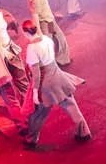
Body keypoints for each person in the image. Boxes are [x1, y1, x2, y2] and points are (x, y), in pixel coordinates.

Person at [21, 19, 93, 147]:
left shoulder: (32, 48)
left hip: (46, 84)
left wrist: (35, 92)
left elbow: (36, 74)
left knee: (39, 113)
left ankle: (31, 140)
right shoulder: (46, 39)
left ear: (25, 33)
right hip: (58, 76)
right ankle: (84, 132)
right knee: (71, 105)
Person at [24, 0, 72, 65]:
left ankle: (60, 60)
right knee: (52, 42)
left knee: (58, 39)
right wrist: (39, 32)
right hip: (45, 21)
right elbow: (35, 14)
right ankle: (52, 63)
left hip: (47, 18)